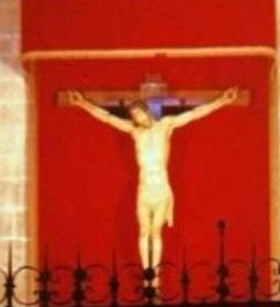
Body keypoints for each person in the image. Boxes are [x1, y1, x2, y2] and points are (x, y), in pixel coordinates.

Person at [68, 88, 239, 271]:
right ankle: (145, 274)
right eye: (135, 117)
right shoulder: (135, 131)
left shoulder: (166, 125)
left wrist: (221, 101)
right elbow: (108, 118)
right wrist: (82, 103)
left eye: (140, 115)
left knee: (156, 232)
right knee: (143, 231)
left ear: (147, 111)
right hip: (144, 189)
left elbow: (194, 114)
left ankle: (155, 276)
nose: (139, 120)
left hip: (161, 188)